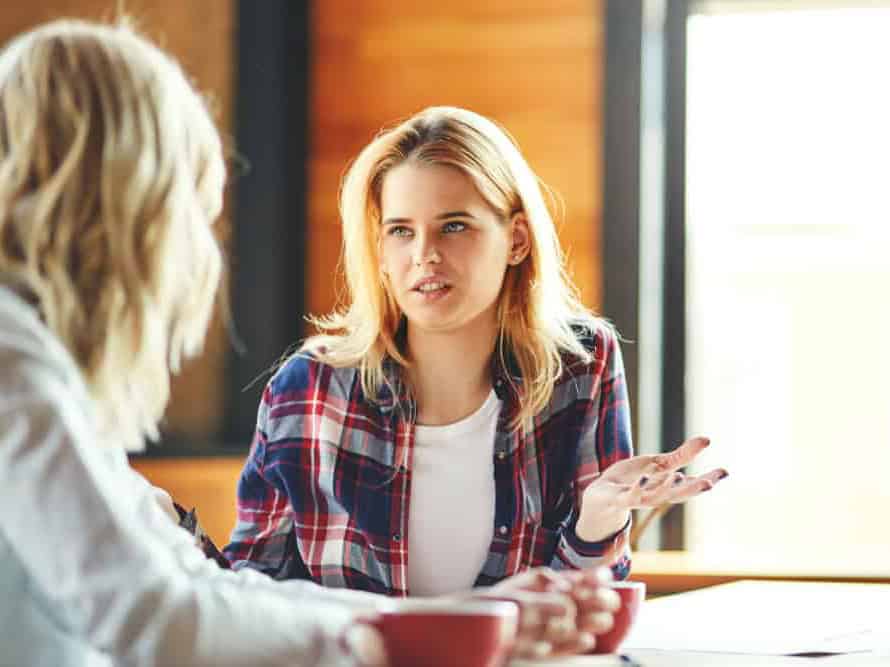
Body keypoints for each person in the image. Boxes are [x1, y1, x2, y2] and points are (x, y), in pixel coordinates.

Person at [0, 20, 621, 666]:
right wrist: (388, 636)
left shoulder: (38, 366)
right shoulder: (14, 367)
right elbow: (159, 615)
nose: (197, 244)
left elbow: (205, 587)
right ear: (121, 204)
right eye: (184, 205)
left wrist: (456, 618)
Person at [225, 106, 728, 655]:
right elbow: (254, 591)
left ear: (515, 239)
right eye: (400, 231)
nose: (425, 256)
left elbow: (583, 611)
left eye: (454, 226)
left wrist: (598, 520)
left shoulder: (581, 365)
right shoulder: (311, 387)